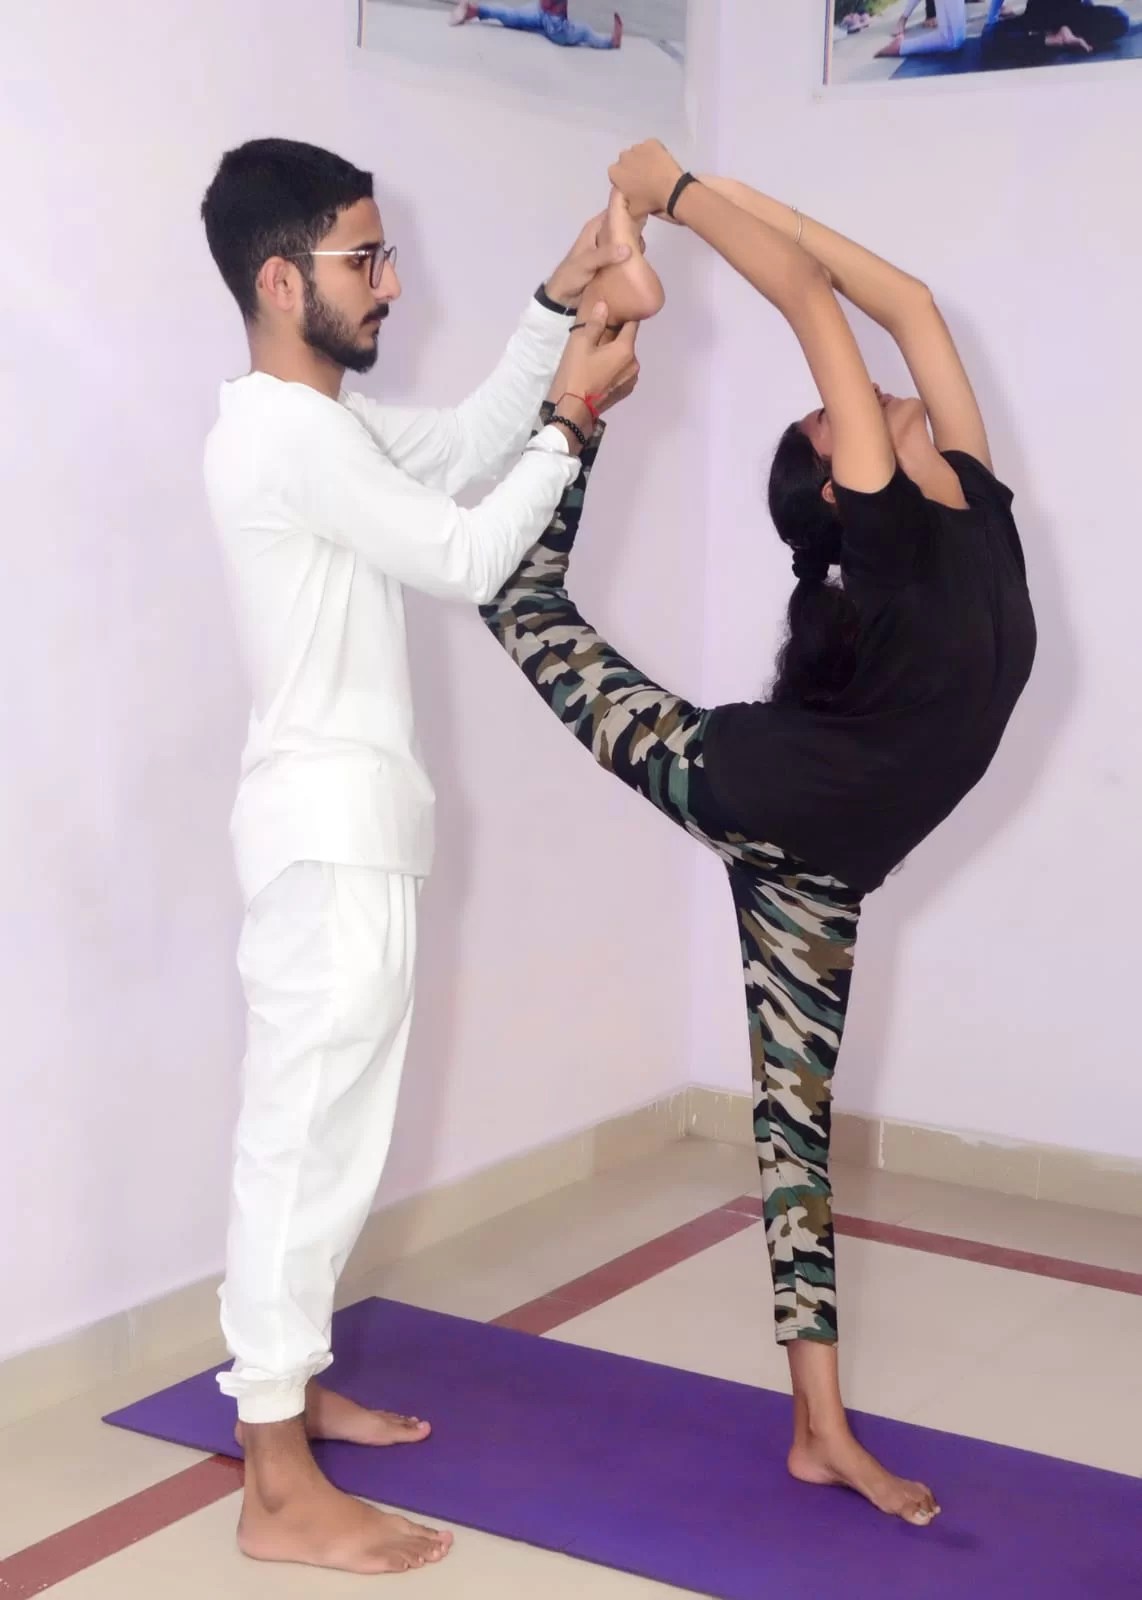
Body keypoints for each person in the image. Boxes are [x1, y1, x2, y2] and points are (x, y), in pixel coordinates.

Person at [480, 140, 1036, 1527]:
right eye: (836, 416)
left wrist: (714, 194)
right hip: (744, 784)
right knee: (515, 599)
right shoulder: (888, 528)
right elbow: (808, 304)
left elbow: (901, 302)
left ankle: (818, 1432)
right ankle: (574, 401)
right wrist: (670, 198)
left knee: (794, 1137)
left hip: (826, 861)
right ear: (836, 483)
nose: (869, 396)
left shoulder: (966, 504)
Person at [199, 136, 639, 1576]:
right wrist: (572, 418)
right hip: (326, 840)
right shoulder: (284, 435)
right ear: (282, 281)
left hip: (349, 830)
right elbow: (459, 555)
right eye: (365, 258)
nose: (391, 282)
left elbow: (452, 450)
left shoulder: (314, 426)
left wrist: (551, 305)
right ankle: (274, 1482)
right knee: (303, 1147)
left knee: (329, 1143)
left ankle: (288, 1391)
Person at [450, 0, 623, 52]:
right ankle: (475, 11)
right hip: (545, 16)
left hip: (553, 23)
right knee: (513, 15)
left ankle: (611, 42)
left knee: (584, 31)